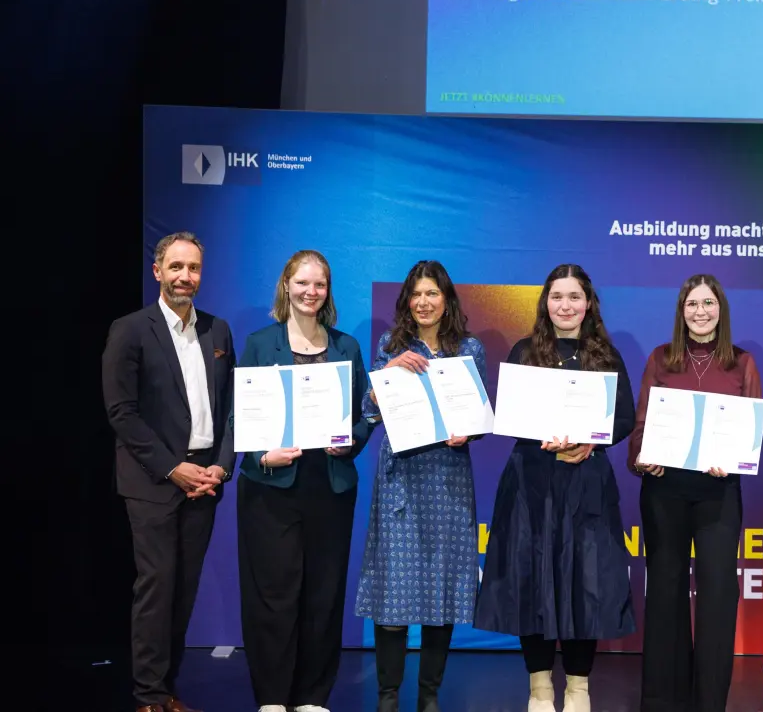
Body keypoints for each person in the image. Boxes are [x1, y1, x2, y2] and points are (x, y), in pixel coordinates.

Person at [477, 264, 637, 712]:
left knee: (585, 585)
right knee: (532, 583)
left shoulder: (606, 354)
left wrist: (591, 441)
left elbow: (624, 416)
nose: (565, 305)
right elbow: (509, 413)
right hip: (531, 482)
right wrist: (538, 434)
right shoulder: (524, 350)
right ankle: (541, 690)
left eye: (574, 297)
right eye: (556, 297)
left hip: (586, 483)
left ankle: (579, 690)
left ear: (589, 303)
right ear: (545, 303)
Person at [103, 232, 235, 712]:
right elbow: (122, 413)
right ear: (157, 271)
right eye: (176, 267)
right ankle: (148, 696)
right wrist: (172, 468)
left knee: (183, 593)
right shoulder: (131, 329)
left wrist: (221, 465)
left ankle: (167, 690)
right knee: (157, 589)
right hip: (154, 481)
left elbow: (231, 409)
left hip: (205, 481)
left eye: (194, 268)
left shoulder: (218, 331)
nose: (186, 277)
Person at [236, 250, 372, 712]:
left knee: (323, 594)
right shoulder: (259, 343)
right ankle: (273, 698)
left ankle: (313, 697)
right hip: (271, 487)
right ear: (286, 286)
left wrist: (349, 442)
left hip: (329, 487)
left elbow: (363, 417)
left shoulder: (346, 348)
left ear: (328, 291)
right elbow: (241, 415)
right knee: (272, 596)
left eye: (320, 285)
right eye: (303, 283)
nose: (311, 292)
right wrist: (261, 454)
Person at [628, 273, 763, 712]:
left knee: (718, 596)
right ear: (681, 311)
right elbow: (642, 423)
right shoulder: (660, 358)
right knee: (665, 594)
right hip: (664, 490)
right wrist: (642, 458)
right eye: (692, 305)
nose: (700, 312)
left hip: (718, 493)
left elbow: (753, 434)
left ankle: (709, 702)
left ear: (720, 310)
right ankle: (662, 701)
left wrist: (738, 458)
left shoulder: (741, 363)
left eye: (708, 304)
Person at [356, 261, 486, 712]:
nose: (425, 302)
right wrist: (387, 373)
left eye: (433, 293)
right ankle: (388, 696)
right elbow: (369, 414)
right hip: (401, 480)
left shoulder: (468, 349)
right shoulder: (389, 346)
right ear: (407, 302)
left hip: (448, 480)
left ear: (446, 299)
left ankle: (429, 696)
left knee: (443, 590)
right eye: (417, 294)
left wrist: (468, 432)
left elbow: (479, 420)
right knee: (394, 591)